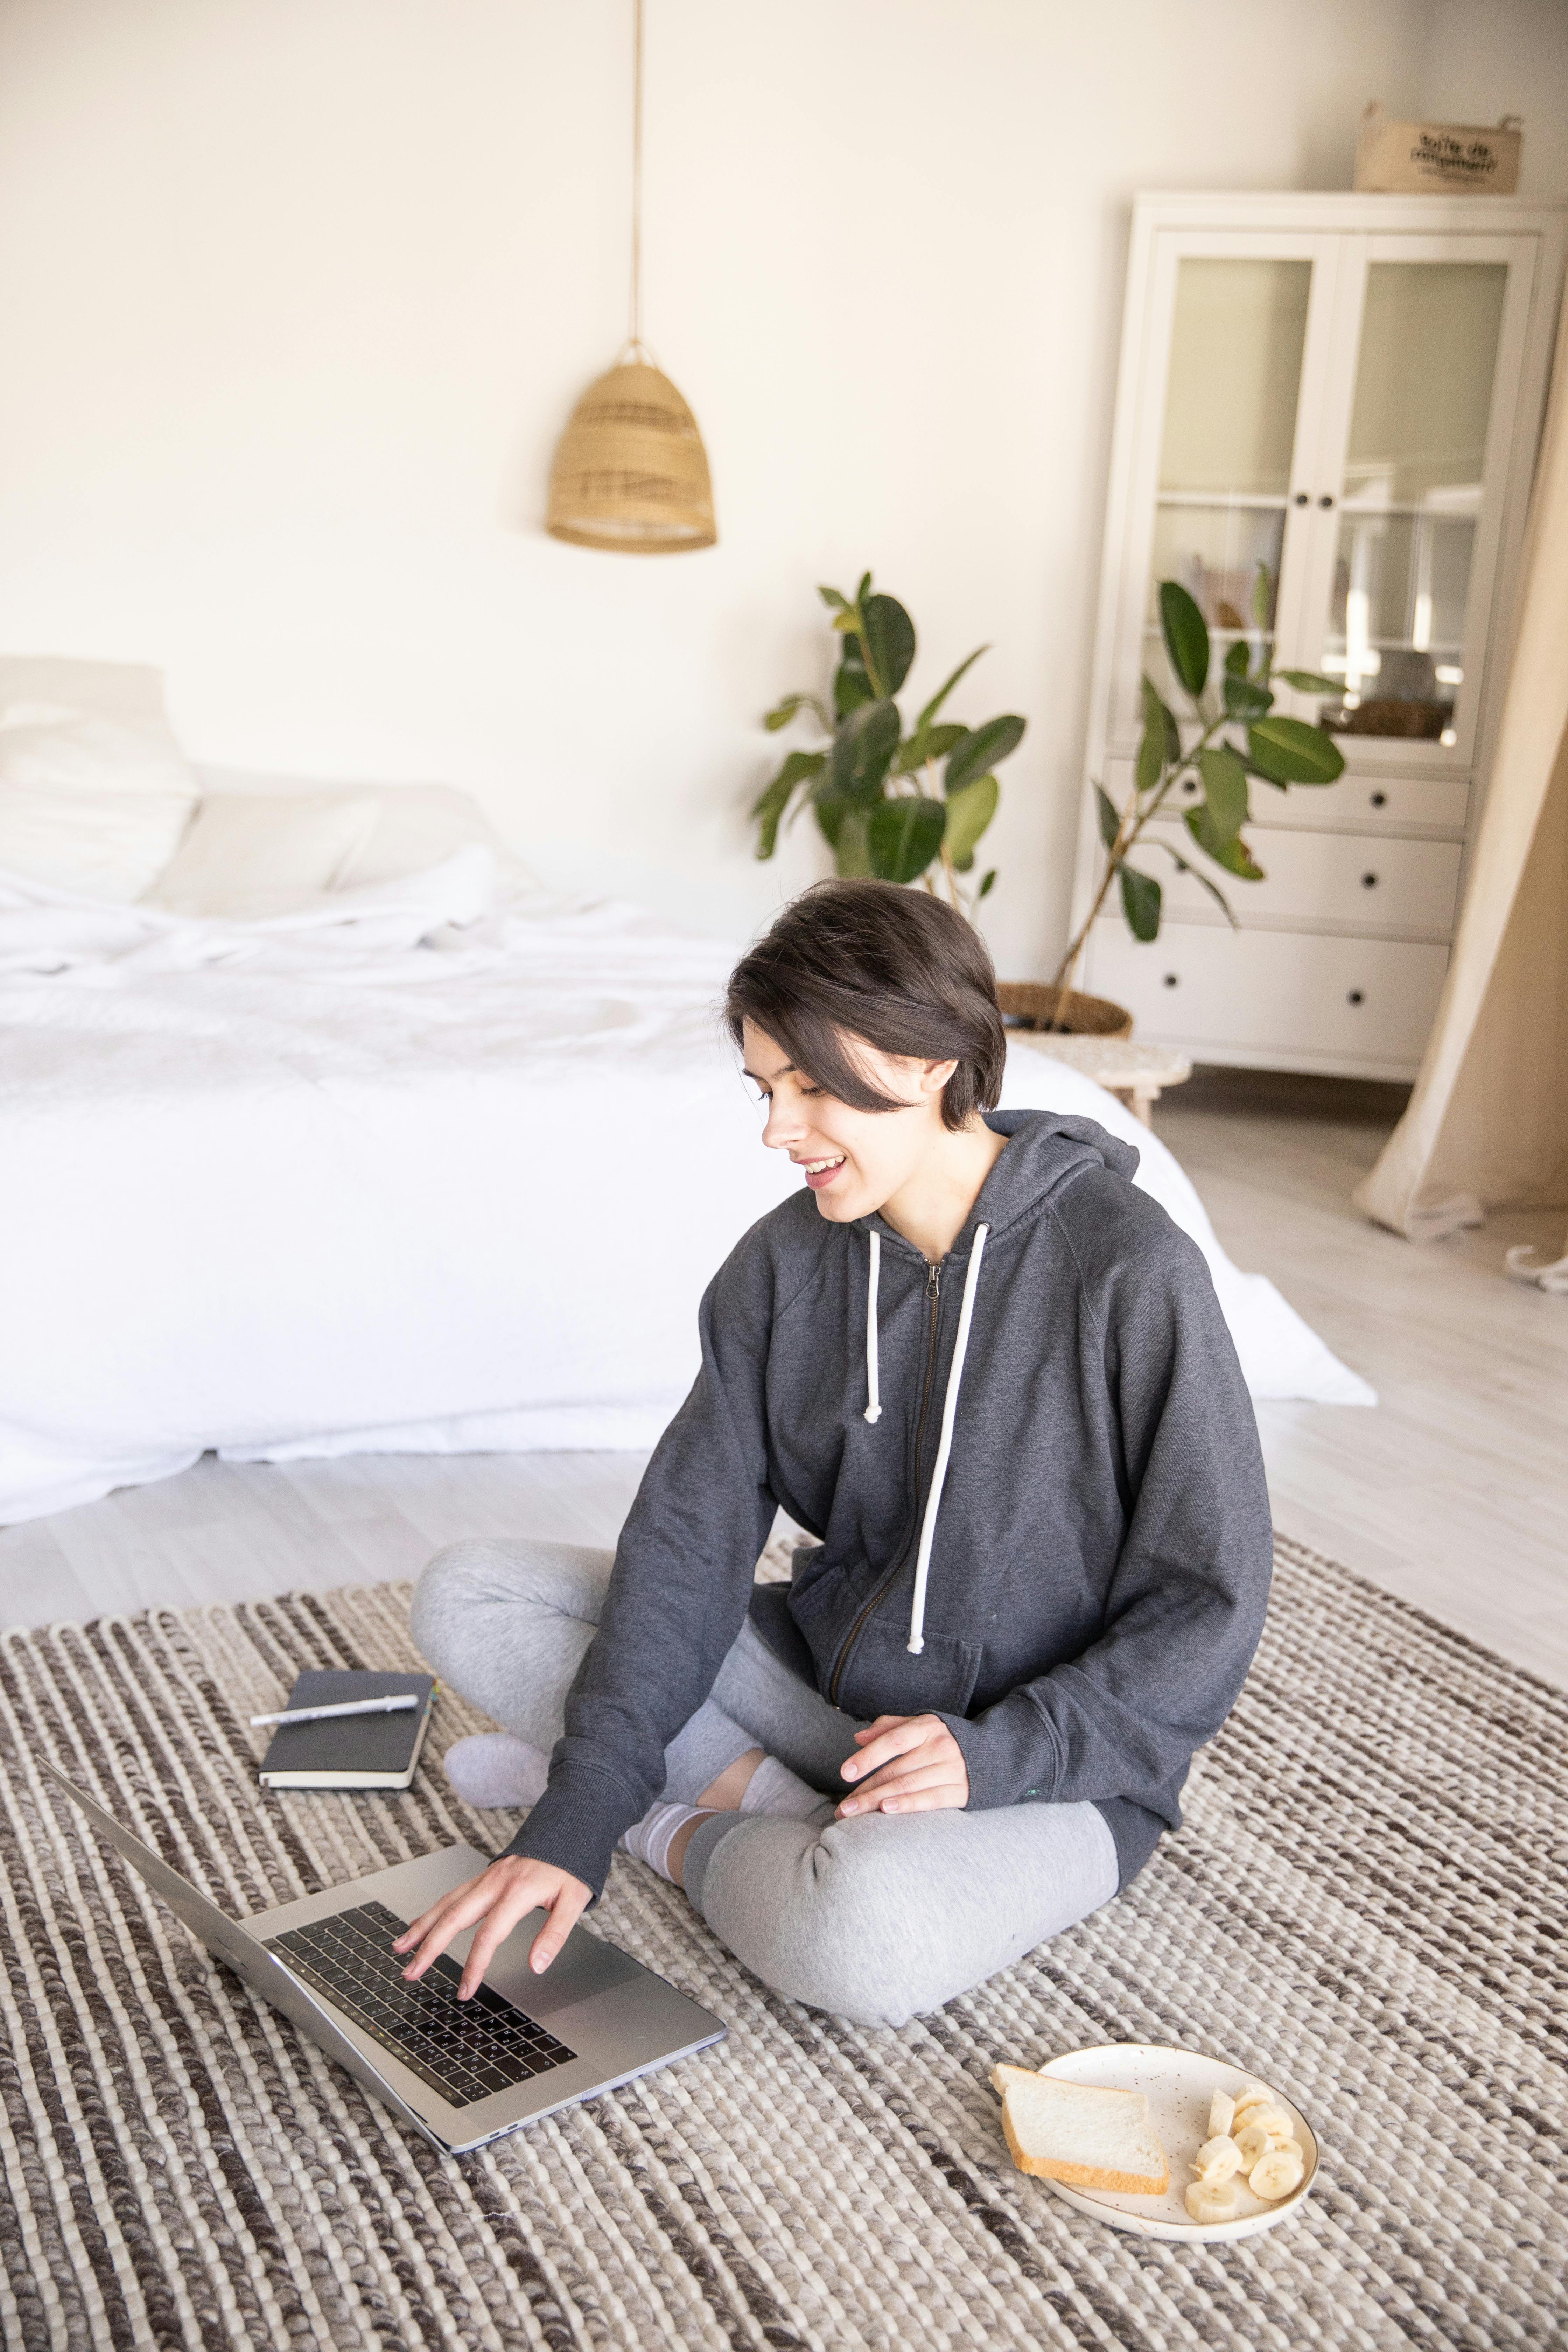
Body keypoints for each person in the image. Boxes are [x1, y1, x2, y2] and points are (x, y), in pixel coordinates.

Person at [397, 880, 1272, 2030]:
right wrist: (569, 1830)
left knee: (864, 1939)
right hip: (830, 1693)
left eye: (810, 1087)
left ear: (926, 1062)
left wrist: (1000, 1756)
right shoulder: (781, 1269)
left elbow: (1209, 1601)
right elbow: (689, 1542)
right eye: (767, 1089)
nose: (776, 1130)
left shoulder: (1128, 1270)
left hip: (1043, 1762)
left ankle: (687, 1819)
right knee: (477, 1592)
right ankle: (717, 1790)